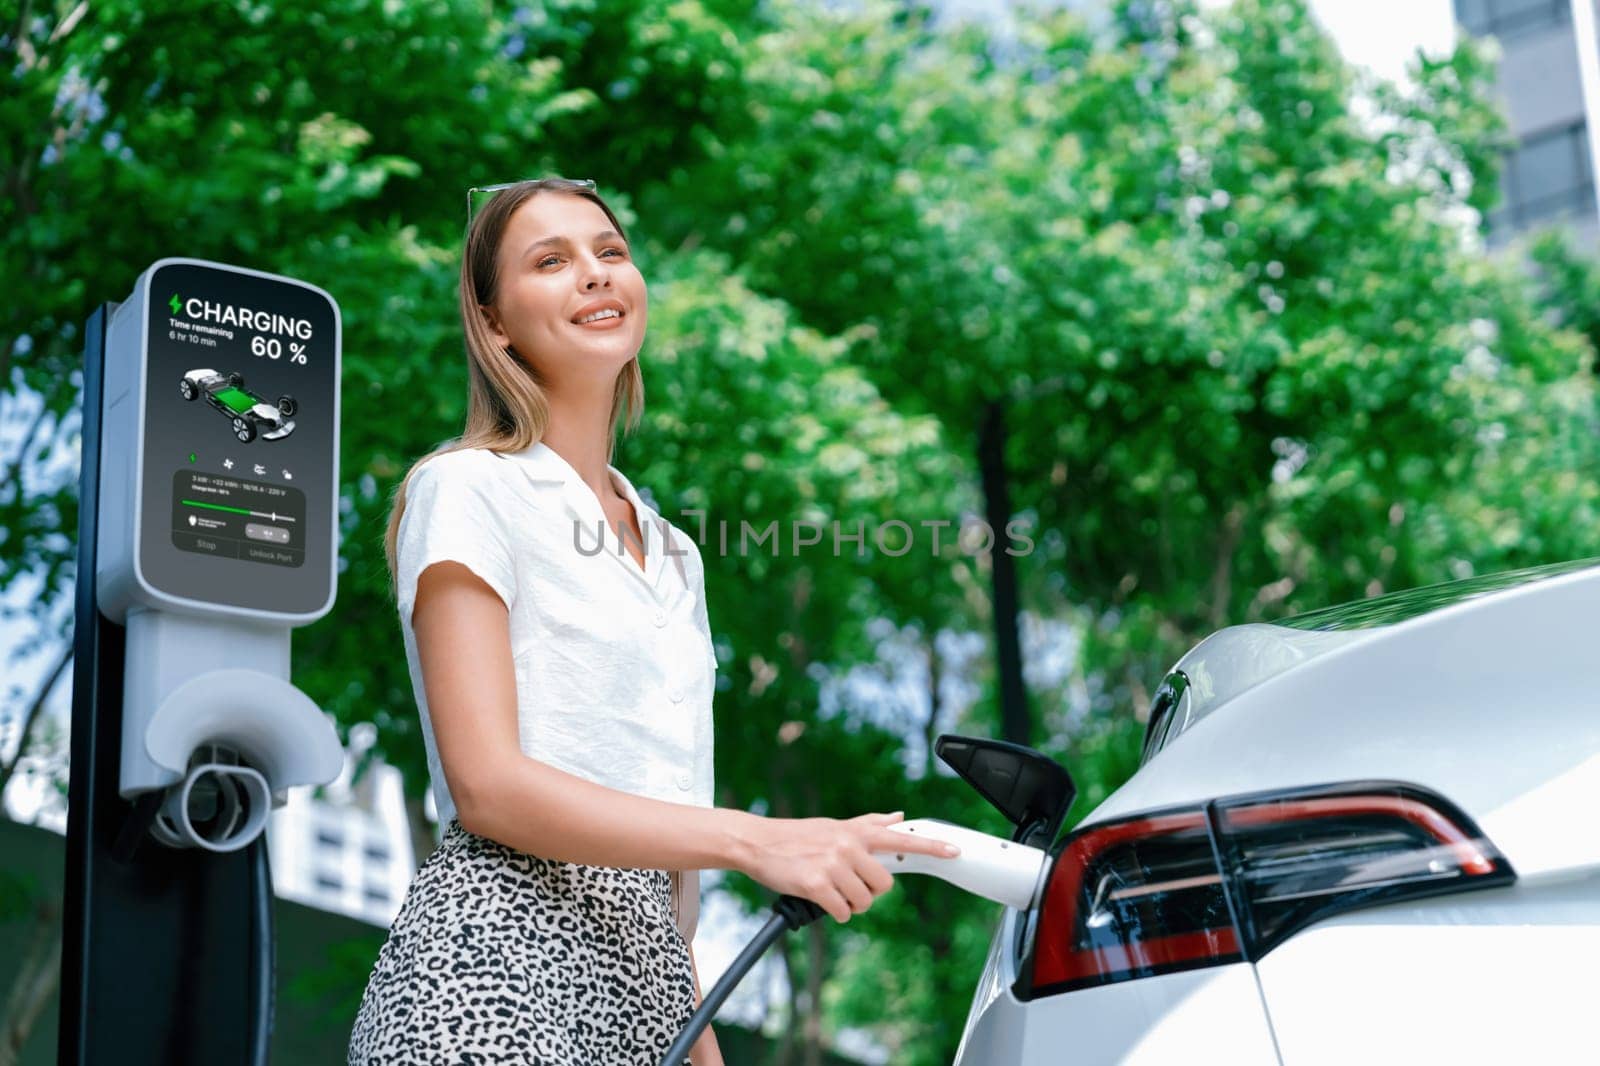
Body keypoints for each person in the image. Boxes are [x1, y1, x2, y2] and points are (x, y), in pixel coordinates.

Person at [345, 178, 961, 1066]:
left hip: (652, 981)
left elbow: (662, 844)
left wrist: (691, 1020)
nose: (594, 275)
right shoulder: (468, 488)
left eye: (610, 252)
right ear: (495, 324)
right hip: (497, 953)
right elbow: (488, 786)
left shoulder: (674, 553)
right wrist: (762, 841)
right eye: (551, 261)